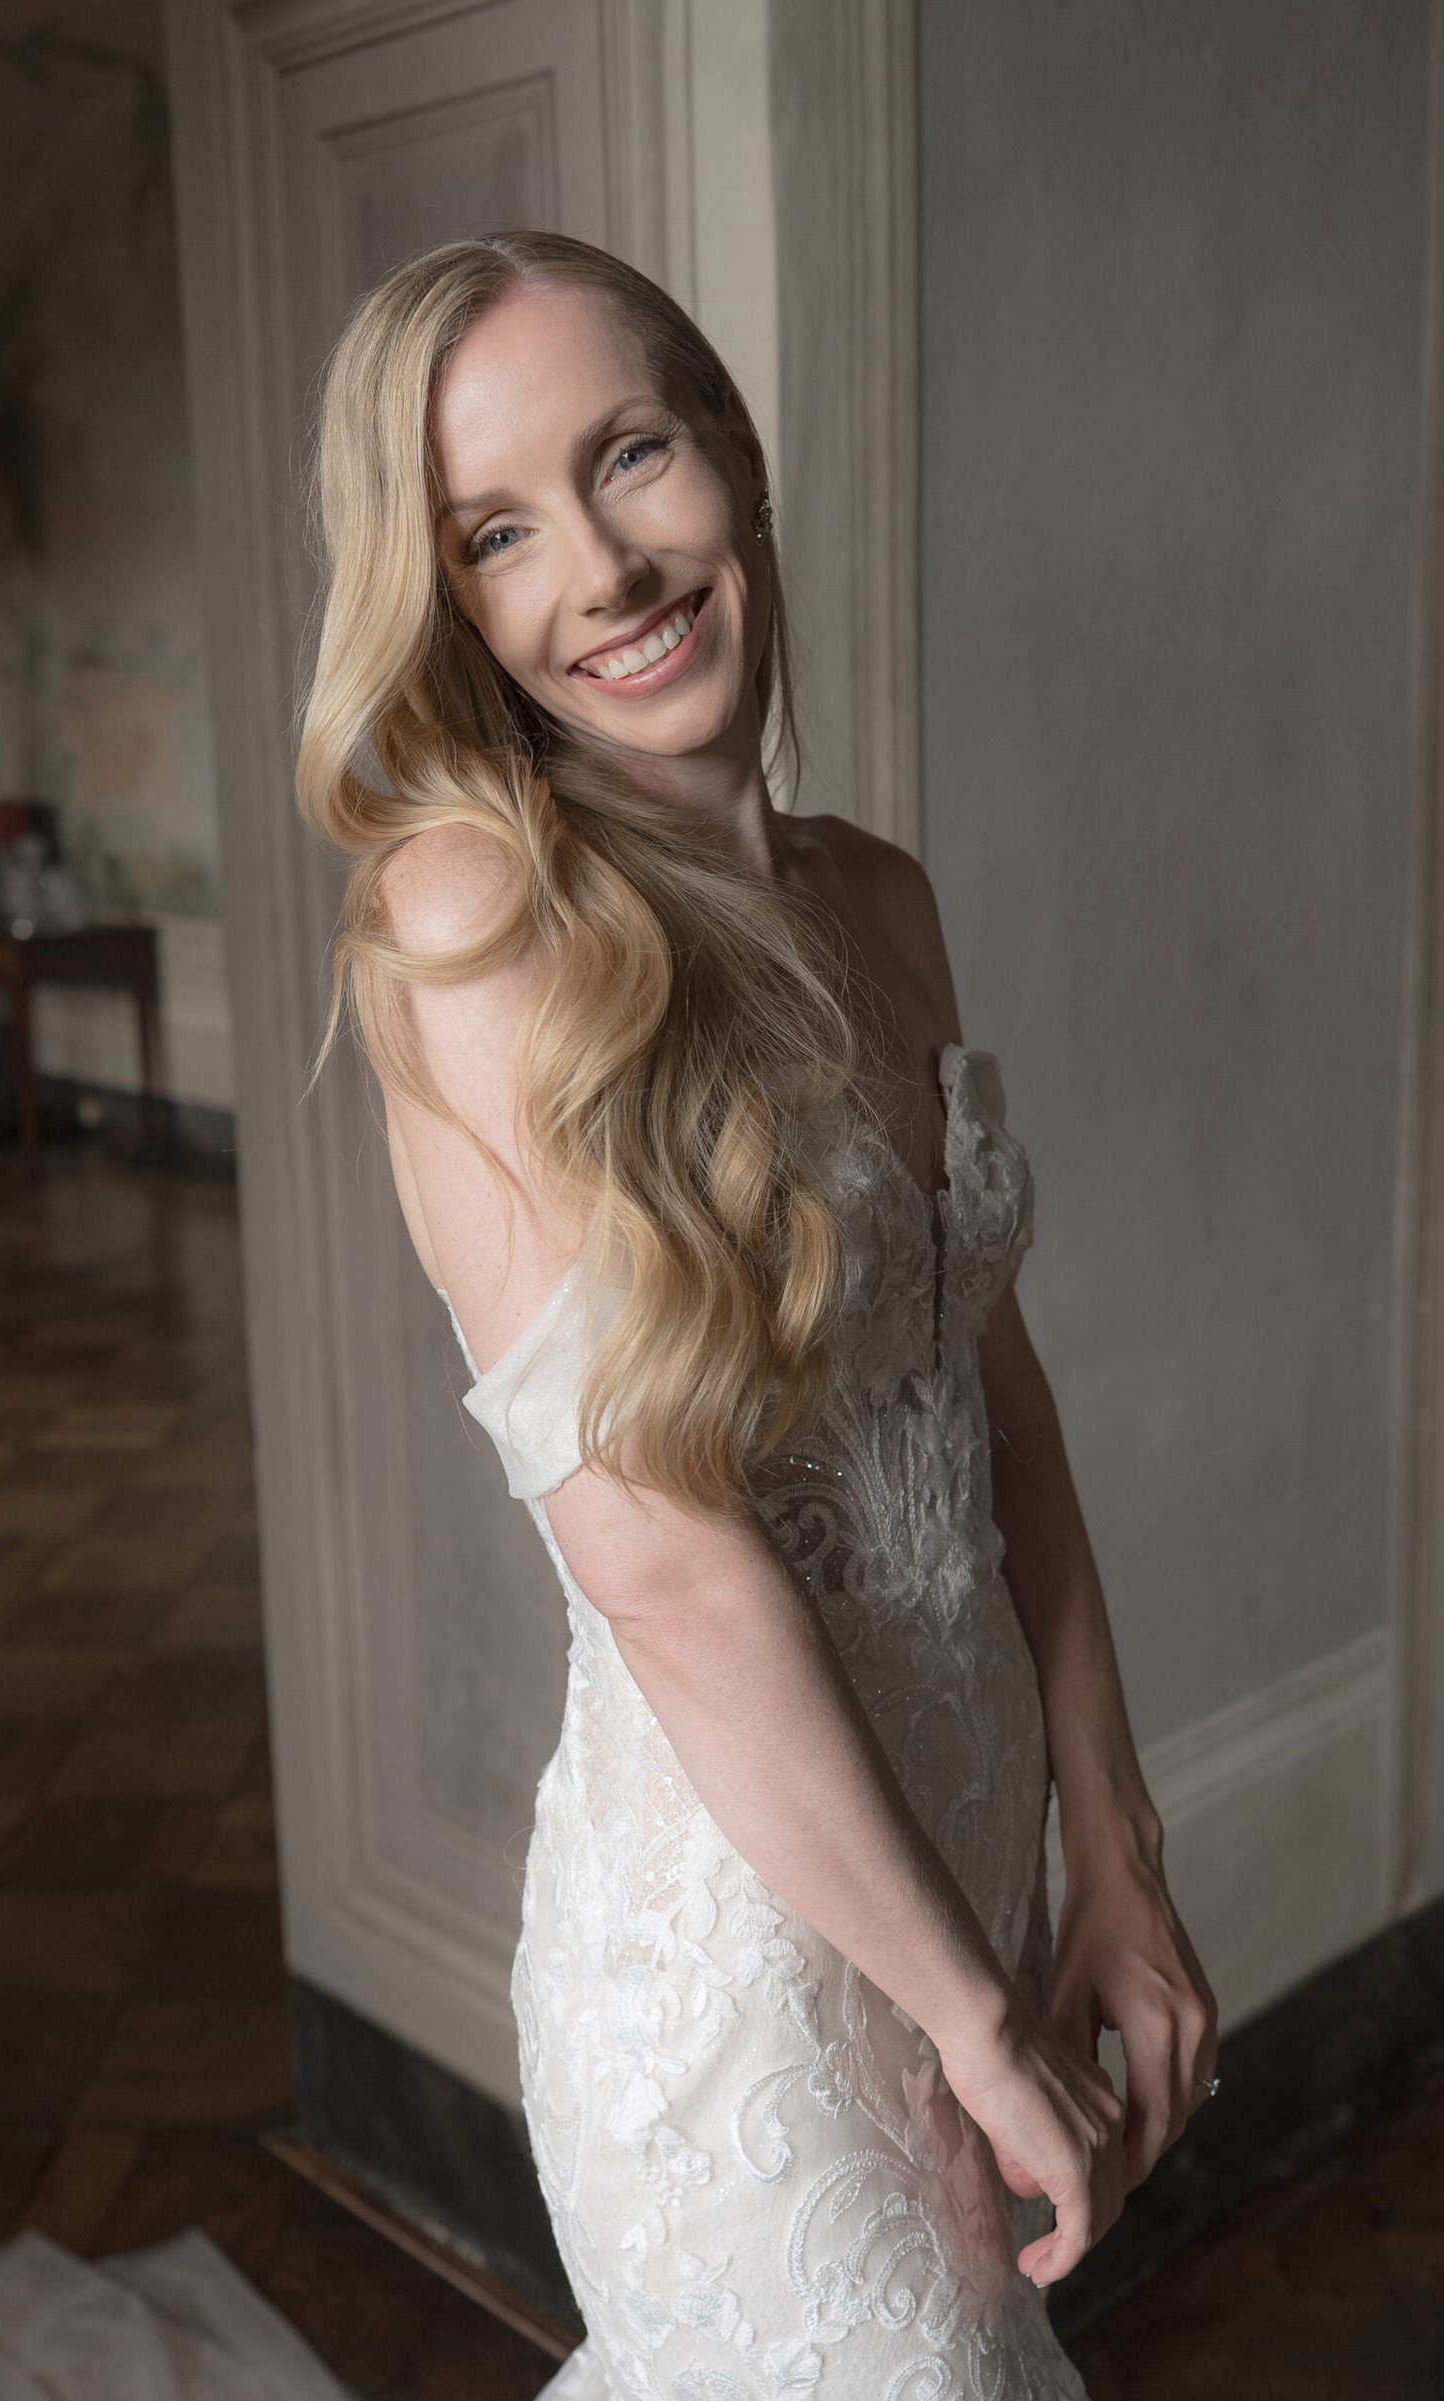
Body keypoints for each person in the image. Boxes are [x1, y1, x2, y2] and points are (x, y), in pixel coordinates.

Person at [296, 228, 1218, 2399]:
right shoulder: (475, 921)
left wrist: (1111, 1847)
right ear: (447, 608)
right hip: (743, 1994)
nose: (602, 569)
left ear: (729, 446)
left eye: (629, 455)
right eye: (496, 533)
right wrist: (972, 2028)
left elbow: (992, 1402)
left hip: (973, 1877)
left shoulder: (878, 895)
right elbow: (660, 1560)